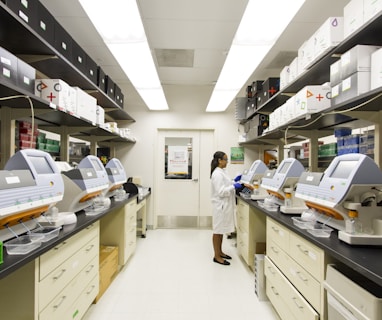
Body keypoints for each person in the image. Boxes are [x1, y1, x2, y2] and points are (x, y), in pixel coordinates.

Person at [210, 151, 243, 266]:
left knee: (221, 231)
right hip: (220, 206)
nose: (227, 162)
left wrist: (234, 181)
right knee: (217, 231)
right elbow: (221, 191)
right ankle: (216, 256)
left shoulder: (222, 172)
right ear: (220, 160)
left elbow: (226, 184)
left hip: (224, 206)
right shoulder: (217, 174)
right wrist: (234, 186)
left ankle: (220, 252)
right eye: (226, 160)